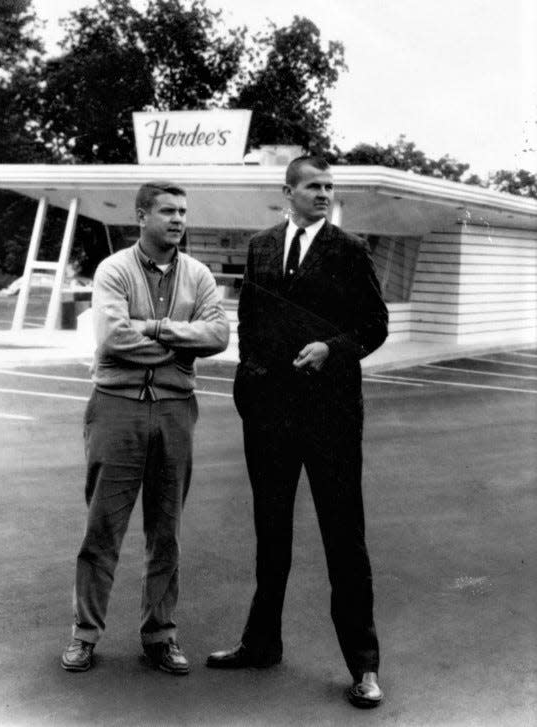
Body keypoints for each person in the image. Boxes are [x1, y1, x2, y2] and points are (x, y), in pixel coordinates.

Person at [206, 156, 388, 709]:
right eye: (314, 186)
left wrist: (332, 349)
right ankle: (261, 644)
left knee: (344, 541)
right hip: (270, 416)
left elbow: (375, 326)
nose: (324, 194)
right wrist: (249, 383)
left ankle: (364, 667)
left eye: (330, 187)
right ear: (287, 192)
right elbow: (250, 319)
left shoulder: (350, 250)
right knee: (271, 534)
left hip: (331, 417)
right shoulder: (261, 246)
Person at [61, 181, 229, 675]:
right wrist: (182, 344)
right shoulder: (115, 269)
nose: (178, 220)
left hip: (176, 410)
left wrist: (154, 328)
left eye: (182, 212)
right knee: (102, 529)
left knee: (166, 531)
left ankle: (160, 634)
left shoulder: (198, 275)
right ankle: (85, 634)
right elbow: (113, 338)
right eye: (167, 211)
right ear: (141, 216)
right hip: (117, 407)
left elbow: (218, 333)